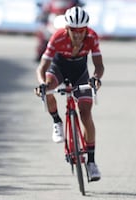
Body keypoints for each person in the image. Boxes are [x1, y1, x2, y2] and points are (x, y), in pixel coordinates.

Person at [35, 6, 104, 181]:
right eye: (74, 31)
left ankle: (91, 162)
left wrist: (95, 78)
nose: (79, 34)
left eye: (82, 31)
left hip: (80, 73)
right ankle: (57, 121)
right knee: (48, 86)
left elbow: (99, 66)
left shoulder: (92, 37)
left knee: (86, 113)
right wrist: (42, 84)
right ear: (67, 29)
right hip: (58, 69)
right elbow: (42, 67)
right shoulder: (57, 37)